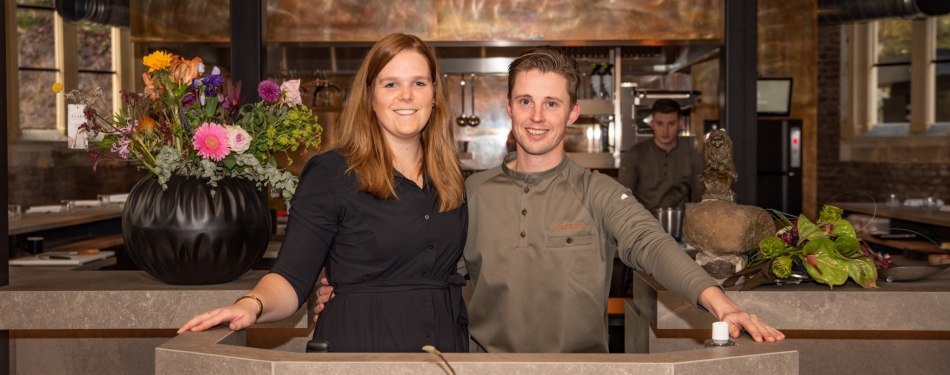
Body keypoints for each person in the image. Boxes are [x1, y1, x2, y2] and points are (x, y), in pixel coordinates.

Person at [315, 45, 784, 353]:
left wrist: (720, 303)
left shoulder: (597, 191)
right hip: (484, 370)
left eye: (552, 103)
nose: (537, 117)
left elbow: (652, 244)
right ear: (509, 108)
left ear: (573, 113)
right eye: (525, 101)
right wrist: (339, 283)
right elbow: (419, 255)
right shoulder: (467, 191)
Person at [178, 33, 470, 353]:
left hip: (445, 355)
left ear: (435, 95)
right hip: (361, 351)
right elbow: (291, 277)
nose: (406, 96)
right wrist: (252, 304)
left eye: (418, 83)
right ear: (369, 96)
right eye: (390, 84)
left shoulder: (450, 177)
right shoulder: (331, 174)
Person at [617, 99, 705, 211]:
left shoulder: (693, 157)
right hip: (642, 222)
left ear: (680, 124)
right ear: (652, 124)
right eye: (660, 124)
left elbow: (702, 199)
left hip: (679, 222)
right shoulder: (635, 154)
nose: (665, 130)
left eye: (671, 124)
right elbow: (623, 195)